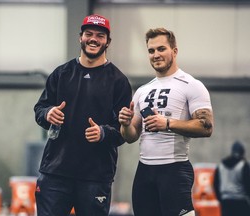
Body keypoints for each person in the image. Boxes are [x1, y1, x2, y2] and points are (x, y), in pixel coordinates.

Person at [33, 14, 132, 216]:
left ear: (108, 42)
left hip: (95, 177)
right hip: (55, 173)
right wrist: (48, 113)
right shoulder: (61, 74)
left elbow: (125, 131)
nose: (93, 39)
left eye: (99, 35)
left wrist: (103, 132)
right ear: (81, 37)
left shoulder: (118, 81)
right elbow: (39, 109)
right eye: (88, 34)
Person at [118, 28, 214, 216]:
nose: (156, 55)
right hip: (144, 171)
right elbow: (131, 137)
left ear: (174, 51)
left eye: (161, 49)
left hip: (174, 169)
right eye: (151, 51)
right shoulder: (142, 90)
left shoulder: (191, 85)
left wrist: (167, 124)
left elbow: (206, 126)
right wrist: (125, 123)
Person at [213, 141, 250, 216]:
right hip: (241, 202)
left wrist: (220, 199)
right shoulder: (243, 165)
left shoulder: (221, 166)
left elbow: (215, 184)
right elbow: (248, 184)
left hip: (226, 202)